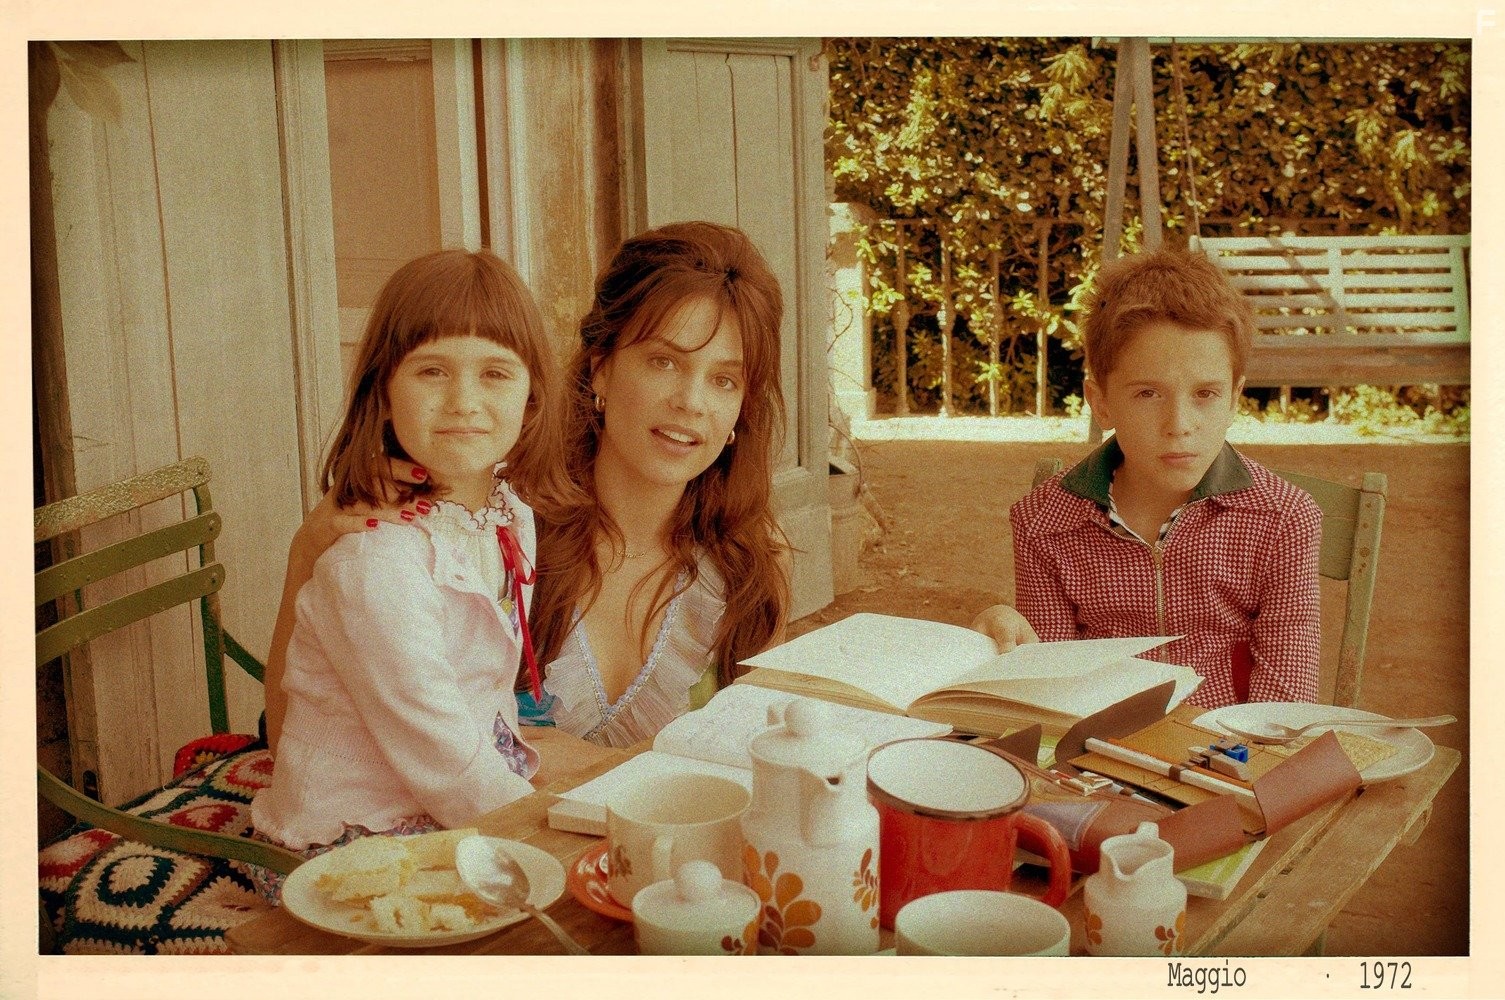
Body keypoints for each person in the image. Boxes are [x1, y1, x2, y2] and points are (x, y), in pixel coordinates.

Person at [263, 221, 791, 754]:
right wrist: (307, 555)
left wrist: (596, 770)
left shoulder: (748, 568)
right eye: (664, 362)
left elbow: (760, 760)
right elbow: (293, 738)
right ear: (601, 369)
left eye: (724, 379)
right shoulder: (492, 527)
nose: (692, 402)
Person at [250, 248, 575, 875]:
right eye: (432, 371)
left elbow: (479, 696)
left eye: (495, 373)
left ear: (532, 398)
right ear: (384, 391)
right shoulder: (377, 560)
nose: (464, 401)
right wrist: (543, 841)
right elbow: (439, 750)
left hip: (462, 790)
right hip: (359, 836)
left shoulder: (510, 515)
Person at [971, 246, 1322, 708]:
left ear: (1234, 400)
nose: (1179, 424)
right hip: (1096, 741)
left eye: (1205, 393)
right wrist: (1009, 639)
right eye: (1148, 394)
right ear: (1101, 403)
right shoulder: (1044, 522)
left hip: (1228, 742)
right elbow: (1051, 687)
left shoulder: (1284, 519)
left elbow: (1285, 703)